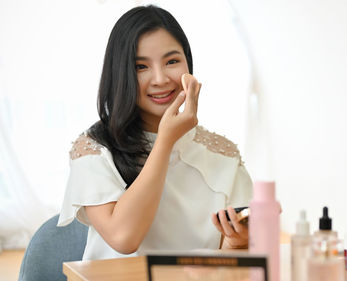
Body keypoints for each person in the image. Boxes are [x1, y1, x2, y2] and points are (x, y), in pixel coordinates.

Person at [57, 5, 253, 260]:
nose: (160, 79)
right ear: (120, 74)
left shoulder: (223, 155)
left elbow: (231, 259)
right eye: (141, 67)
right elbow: (124, 239)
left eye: (172, 61)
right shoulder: (94, 149)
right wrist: (166, 141)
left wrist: (236, 245)